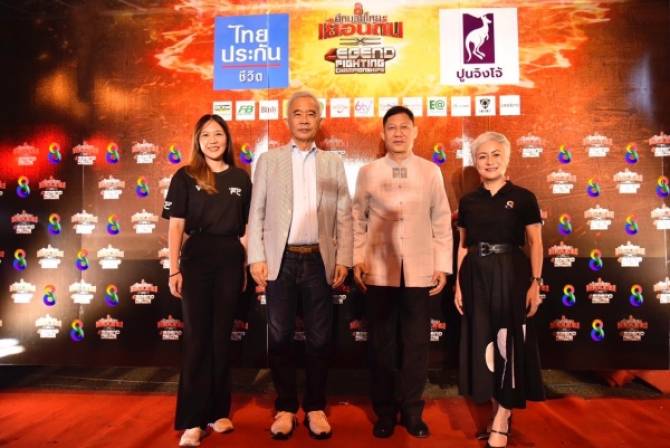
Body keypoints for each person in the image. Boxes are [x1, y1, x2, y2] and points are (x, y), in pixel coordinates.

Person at [247, 91, 353, 440]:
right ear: (287, 120)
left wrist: (344, 258)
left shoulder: (332, 162)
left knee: (320, 338)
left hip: (320, 260)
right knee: (279, 337)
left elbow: (343, 215)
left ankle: (316, 406)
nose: (304, 119)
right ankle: (286, 407)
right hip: (281, 259)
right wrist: (257, 256)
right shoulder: (269, 160)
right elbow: (257, 212)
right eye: (297, 113)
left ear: (319, 120)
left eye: (311, 113)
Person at [352, 105, 453, 439]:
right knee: (381, 345)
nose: (398, 133)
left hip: (419, 270)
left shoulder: (430, 171)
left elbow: (441, 219)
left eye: (404, 127)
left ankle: (411, 411)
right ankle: (384, 412)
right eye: (391, 127)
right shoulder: (368, 172)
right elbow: (357, 219)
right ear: (383, 134)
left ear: (415, 132)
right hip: (379, 269)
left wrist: (442, 265)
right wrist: (357, 258)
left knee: (416, 345)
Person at [162, 114, 251, 447]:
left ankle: (217, 411)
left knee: (220, 338)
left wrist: (243, 267)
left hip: (230, 259)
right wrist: (174, 269)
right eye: (206, 135)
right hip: (197, 257)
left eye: (218, 134)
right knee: (198, 340)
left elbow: (245, 229)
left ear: (227, 139)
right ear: (197, 142)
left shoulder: (241, 178)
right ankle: (193, 420)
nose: (213, 141)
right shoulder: (185, 176)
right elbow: (175, 226)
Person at [454, 131, 545, 448]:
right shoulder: (468, 202)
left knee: (508, 343)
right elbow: (463, 245)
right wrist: (458, 285)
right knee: (485, 344)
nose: (489, 161)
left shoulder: (523, 197)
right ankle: (497, 411)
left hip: (511, 274)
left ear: (506, 159)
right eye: (482, 156)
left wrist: (536, 282)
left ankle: (503, 417)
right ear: (475, 162)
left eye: (495, 155)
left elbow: (535, 242)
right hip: (475, 275)